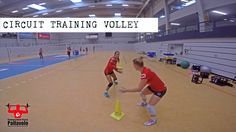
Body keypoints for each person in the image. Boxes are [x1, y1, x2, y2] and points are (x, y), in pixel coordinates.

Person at [120, 57, 167, 126]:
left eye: (133, 64)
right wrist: (142, 57)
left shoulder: (145, 74)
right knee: (142, 93)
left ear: (136, 65)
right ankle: (144, 103)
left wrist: (125, 90)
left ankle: (153, 120)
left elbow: (139, 88)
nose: (133, 66)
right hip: (153, 87)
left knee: (150, 106)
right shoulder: (144, 69)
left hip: (161, 89)